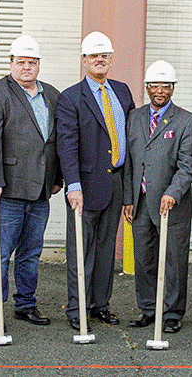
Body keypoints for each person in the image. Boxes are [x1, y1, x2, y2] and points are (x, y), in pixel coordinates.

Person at [0, 35, 62, 331]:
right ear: (11, 62)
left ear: (39, 65)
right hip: (7, 189)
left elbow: (57, 139)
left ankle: (25, 302)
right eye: (21, 62)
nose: (27, 67)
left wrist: (57, 178)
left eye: (32, 62)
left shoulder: (52, 94)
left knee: (31, 252)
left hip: (40, 191)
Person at [56, 31, 134, 331]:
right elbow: (67, 145)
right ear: (84, 60)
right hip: (85, 186)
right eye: (94, 56)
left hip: (115, 182)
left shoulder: (122, 92)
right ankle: (77, 309)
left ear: (111, 59)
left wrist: (128, 192)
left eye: (105, 56)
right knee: (81, 249)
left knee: (105, 250)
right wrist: (72, 185)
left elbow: (130, 139)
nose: (100, 60)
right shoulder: (71, 97)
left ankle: (100, 305)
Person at [123, 60, 192, 334]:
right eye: (155, 85)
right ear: (147, 87)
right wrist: (128, 198)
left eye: (166, 85)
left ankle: (172, 313)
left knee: (174, 261)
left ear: (173, 88)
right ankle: (149, 309)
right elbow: (130, 161)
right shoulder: (135, 117)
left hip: (171, 205)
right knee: (144, 260)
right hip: (140, 204)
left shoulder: (186, 120)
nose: (160, 90)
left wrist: (172, 193)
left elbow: (188, 165)